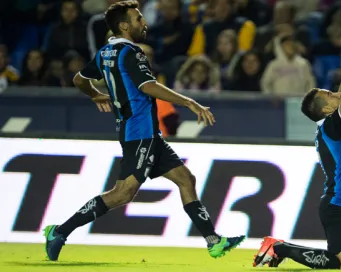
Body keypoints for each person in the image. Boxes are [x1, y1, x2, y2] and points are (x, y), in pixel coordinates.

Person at [43, 0, 245, 262]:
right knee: (123, 193)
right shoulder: (131, 52)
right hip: (140, 131)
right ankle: (59, 231)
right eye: (139, 19)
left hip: (143, 131)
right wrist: (189, 102)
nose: (145, 22)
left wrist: (95, 94)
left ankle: (214, 241)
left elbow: (80, 79)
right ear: (125, 26)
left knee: (186, 179)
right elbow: (147, 86)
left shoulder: (106, 52)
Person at [253, 32, 341, 270]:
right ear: (326, 109)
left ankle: (280, 247)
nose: (336, 94)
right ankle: (280, 248)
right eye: (330, 95)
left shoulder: (330, 125)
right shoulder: (334, 125)